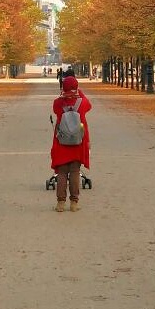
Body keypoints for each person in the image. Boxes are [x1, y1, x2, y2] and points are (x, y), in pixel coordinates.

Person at [50, 75, 91, 212]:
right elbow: (89, 105)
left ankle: (60, 203)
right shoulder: (82, 103)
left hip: (62, 141)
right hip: (78, 141)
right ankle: (74, 203)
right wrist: (79, 92)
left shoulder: (58, 103)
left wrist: (64, 94)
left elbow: (55, 110)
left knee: (62, 172)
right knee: (75, 172)